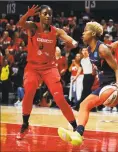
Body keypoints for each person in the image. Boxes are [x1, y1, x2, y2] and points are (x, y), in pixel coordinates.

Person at [16, 5, 78, 140]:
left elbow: (66, 37)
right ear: (40, 16)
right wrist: (27, 14)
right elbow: (20, 24)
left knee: (60, 98)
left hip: (49, 68)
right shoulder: (33, 27)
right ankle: (25, 124)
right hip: (33, 68)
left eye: (50, 14)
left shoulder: (56, 31)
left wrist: (74, 42)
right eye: (45, 13)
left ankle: (75, 126)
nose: (48, 16)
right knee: (30, 91)